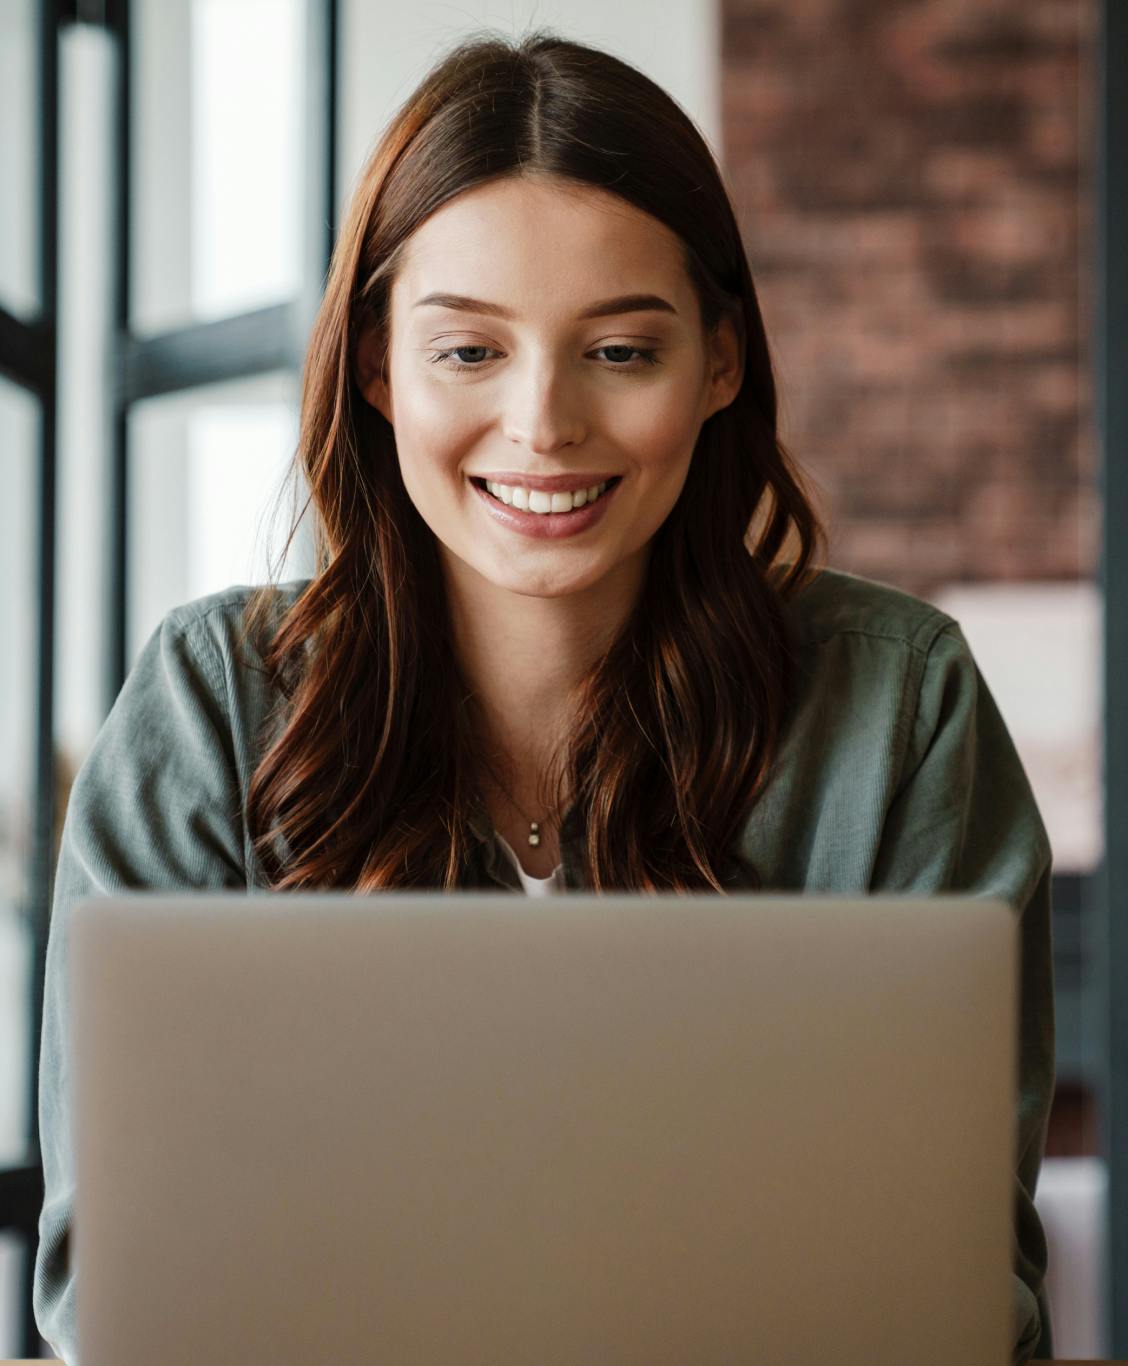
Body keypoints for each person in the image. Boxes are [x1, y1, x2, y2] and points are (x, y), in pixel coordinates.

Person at [33, 28, 1055, 1364]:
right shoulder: (210, 703)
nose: (542, 424)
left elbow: (969, 1291)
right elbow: (108, 1289)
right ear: (381, 368)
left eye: (620, 352)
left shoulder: (901, 706)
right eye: (468, 352)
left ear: (722, 362)